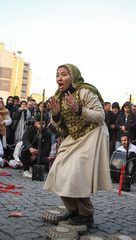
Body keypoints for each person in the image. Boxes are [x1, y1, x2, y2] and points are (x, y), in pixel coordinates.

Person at [44, 64, 112, 226]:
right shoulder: (58, 96)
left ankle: (86, 215)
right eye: (57, 75)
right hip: (74, 136)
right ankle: (73, 210)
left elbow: (100, 115)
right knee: (58, 169)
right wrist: (56, 114)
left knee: (75, 173)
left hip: (92, 133)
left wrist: (78, 108)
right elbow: (59, 125)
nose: (59, 78)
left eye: (64, 74)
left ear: (73, 77)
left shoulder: (85, 91)